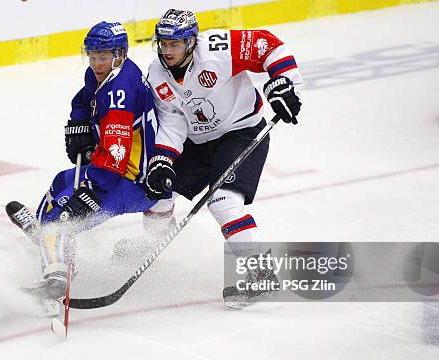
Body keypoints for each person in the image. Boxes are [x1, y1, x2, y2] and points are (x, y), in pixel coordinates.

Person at [117, 9, 303, 308]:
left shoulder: (218, 49)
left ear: (191, 42)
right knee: (158, 191)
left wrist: (284, 83)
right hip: (198, 142)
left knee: (224, 203)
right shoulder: (156, 73)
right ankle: (151, 244)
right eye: (163, 43)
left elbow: (268, 45)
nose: (167, 50)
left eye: (174, 44)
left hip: (241, 133)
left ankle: (261, 276)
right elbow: (173, 121)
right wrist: (163, 159)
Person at [6, 21, 158, 309]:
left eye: (102, 56)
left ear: (120, 53)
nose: (96, 63)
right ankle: (49, 245)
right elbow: (84, 98)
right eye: (92, 55)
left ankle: (56, 275)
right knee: (60, 184)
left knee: (62, 220)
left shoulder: (120, 92)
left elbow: (114, 153)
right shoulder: (108, 72)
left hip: (131, 183)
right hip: (118, 173)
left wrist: (92, 192)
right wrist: (79, 123)